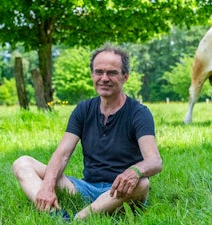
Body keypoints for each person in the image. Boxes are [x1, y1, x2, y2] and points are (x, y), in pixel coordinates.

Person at [12, 43, 163, 220]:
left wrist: (135, 171)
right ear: (92, 75)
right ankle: (56, 215)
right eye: (99, 72)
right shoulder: (83, 109)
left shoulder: (139, 113)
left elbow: (154, 161)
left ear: (125, 77)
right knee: (22, 163)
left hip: (120, 191)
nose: (104, 78)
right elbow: (62, 154)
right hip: (85, 187)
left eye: (112, 73)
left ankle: (78, 219)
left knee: (142, 184)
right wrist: (47, 186)